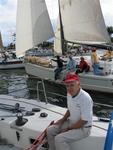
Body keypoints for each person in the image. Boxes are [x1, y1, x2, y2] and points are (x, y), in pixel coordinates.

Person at [46, 73, 93, 150]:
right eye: (67, 86)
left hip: (83, 128)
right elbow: (70, 109)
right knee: (50, 130)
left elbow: (84, 121)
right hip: (72, 122)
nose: (69, 88)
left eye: (72, 85)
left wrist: (69, 128)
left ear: (78, 84)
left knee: (59, 139)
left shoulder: (85, 98)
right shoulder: (69, 93)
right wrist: (62, 120)